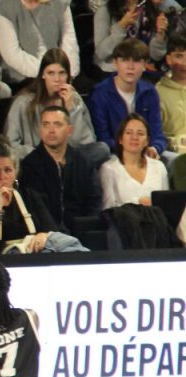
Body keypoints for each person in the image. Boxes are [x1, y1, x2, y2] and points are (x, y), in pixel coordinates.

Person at [0, 140, 88, 253]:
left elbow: (52, 232)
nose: (2, 176)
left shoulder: (29, 196)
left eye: (8, 170)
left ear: (16, 172)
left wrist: (42, 236)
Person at [3, 48, 105, 163]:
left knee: (101, 149)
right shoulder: (23, 102)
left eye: (62, 73)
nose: (57, 79)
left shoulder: (74, 99)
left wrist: (72, 110)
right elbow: (10, 144)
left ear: (68, 76)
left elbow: (86, 142)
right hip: (36, 162)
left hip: (68, 162)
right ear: (43, 75)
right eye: (51, 73)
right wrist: (43, 155)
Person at [18, 103, 104, 233]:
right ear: (40, 129)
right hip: (46, 236)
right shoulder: (30, 165)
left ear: (70, 130)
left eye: (57, 124)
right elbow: (36, 209)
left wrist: (87, 227)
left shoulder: (84, 162)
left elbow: (94, 202)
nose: (51, 130)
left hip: (83, 232)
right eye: (46, 124)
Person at [98, 113, 182, 246]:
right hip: (125, 228)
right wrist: (138, 204)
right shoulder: (108, 169)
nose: (134, 137)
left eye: (140, 133)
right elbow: (108, 209)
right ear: (120, 139)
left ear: (147, 141)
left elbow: (165, 204)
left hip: (157, 226)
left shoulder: (159, 167)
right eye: (129, 133)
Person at [93, 0, 176, 73]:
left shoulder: (151, 11)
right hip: (113, 71)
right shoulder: (105, 11)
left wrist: (160, 35)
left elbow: (155, 56)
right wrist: (121, 26)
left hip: (143, 70)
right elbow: (100, 54)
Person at [87, 38, 167, 154]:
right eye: (125, 60)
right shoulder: (100, 94)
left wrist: (155, 148)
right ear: (115, 63)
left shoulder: (150, 92)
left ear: (144, 65)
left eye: (136, 61)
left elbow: (157, 133)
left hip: (145, 153)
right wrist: (131, 151)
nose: (130, 66)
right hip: (113, 154)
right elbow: (102, 138)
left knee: (173, 161)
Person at [157, 33, 186, 154]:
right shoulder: (157, 93)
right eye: (179, 56)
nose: (185, 63)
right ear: (169, 59)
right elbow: (155, 136)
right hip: (174, 154)